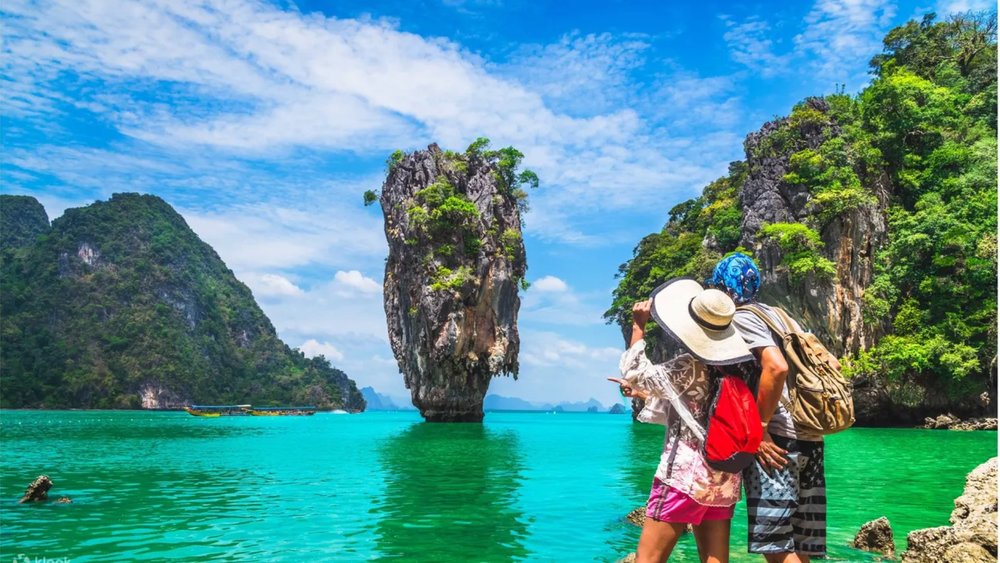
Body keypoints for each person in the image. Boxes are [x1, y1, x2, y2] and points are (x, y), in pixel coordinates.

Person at [610, 278, 757, 563]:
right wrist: (641, 394)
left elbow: (634, 371)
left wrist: (639, 326)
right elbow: (693, 409)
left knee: (647, 559)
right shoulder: (742, 367)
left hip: (684, 476)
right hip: (724, 474)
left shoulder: (688, 366)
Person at [708, 253, 836, 562]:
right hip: (810, 437)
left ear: (723, 288)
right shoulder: (779, 315)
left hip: (779, 440)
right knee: (800, 541)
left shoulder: (742, 318)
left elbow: (776, 368)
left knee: (776, 543)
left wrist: (761, 429)